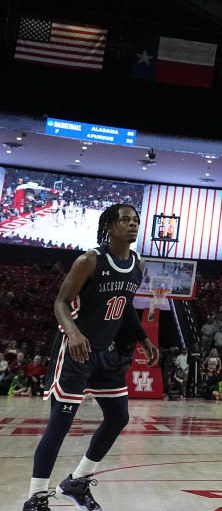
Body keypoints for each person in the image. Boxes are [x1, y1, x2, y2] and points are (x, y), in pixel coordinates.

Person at [22, 203, 159, 511]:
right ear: (109, 226)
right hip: (75, 350)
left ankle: (78, 480)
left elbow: (123, 309)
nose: (132, 224)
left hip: (104, 354)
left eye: (136, 220)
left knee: (118, 417)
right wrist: (72, 333)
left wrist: (143, 338)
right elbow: (61, 302)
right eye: (125, 220)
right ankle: (36, 497)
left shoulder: (138, 262)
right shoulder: (90, 260)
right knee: (60, 423)